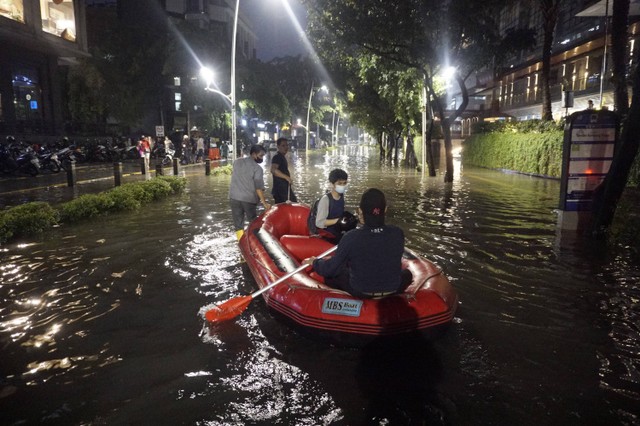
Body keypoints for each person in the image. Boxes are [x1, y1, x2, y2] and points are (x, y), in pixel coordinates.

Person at [303, 188, 407, 299]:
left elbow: (331, 269)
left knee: (338, 273)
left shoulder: (351, 237)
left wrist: (315, 262)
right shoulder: (398, 233)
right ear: (385, 210)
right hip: (393, 288)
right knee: (407, 274)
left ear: (360, 211)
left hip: (360, 290)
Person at [229, 144, 271, 240]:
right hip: (248, 199)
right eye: (261, 156)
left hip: (234, 197)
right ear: (253, 154)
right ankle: (254, 243)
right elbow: (258, 188)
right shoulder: (257, 169)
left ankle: (241, 242)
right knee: (253, 222)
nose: (262, 158)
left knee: (238, 224)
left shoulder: (237, 162)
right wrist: (264, 203)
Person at [314, 168, 351, 241]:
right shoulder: (326, 199)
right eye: (339, 183)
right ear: (332, 184)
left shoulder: (341, 196)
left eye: (344, 183)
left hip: (338, 231)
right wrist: (338, 220)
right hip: (328, 235)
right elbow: (319, 222)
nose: (343, 186)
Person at [270, 137, 297, 203]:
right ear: (278, 146)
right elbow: (273, 170)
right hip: (281, 191)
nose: (286, 147)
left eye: (287, 145)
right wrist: (286, 177)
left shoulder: (281, 157)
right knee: (292, 204)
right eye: (283, 145)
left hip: (284, 189)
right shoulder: (277, 157)